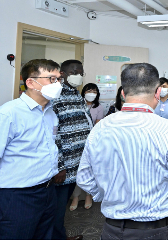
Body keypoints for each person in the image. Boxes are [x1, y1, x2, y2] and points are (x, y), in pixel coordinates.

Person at [77, 63, 168, 240]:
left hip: (112, 229)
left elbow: (84, 178)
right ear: (158, 92)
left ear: (122, 93)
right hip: (157, 231)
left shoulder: (100, 128)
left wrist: (109, 195)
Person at [0, 59, 62, 239]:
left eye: (58, 79)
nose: (56, 84)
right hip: (18, 195)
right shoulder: (8, 113)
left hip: (48, 190)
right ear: (30, 82)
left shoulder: (50, 112)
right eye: (51, 79)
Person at [51, 59, 92, 240]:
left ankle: (59, 235)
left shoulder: (76, 94)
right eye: (76, 71)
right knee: (56, 208)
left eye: (81, 72)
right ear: (63, 73)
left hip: (77, 161)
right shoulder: (55, 96)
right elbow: (52, 134)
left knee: (61, 208)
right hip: (63, 166)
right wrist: (59, 165)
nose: (79, 76)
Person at [69, 83, 104, 211]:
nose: (91, 93)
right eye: (89, 90)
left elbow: (98, 125)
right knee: (78, 168)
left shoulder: (98, 107)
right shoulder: (78, 104)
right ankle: (76, 196)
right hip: (76, 141)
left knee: (90, 168)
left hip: (91, 142)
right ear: (83, 92)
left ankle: (89, 194)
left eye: (94, 91)